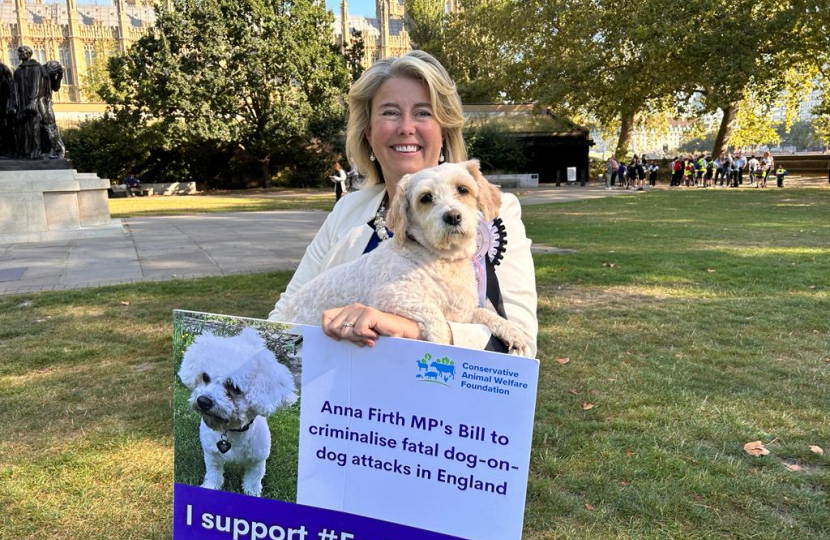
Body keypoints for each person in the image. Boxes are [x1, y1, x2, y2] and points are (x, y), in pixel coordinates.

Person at [268, 50, 538, 357]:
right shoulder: (348, 211)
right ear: (368, 132)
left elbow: (522, 348)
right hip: (347, 399)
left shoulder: (495, 213)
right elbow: (283, 318)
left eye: (423, 113)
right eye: (390, 112)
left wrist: (410, 329)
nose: (406, 127)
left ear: (444, 129)